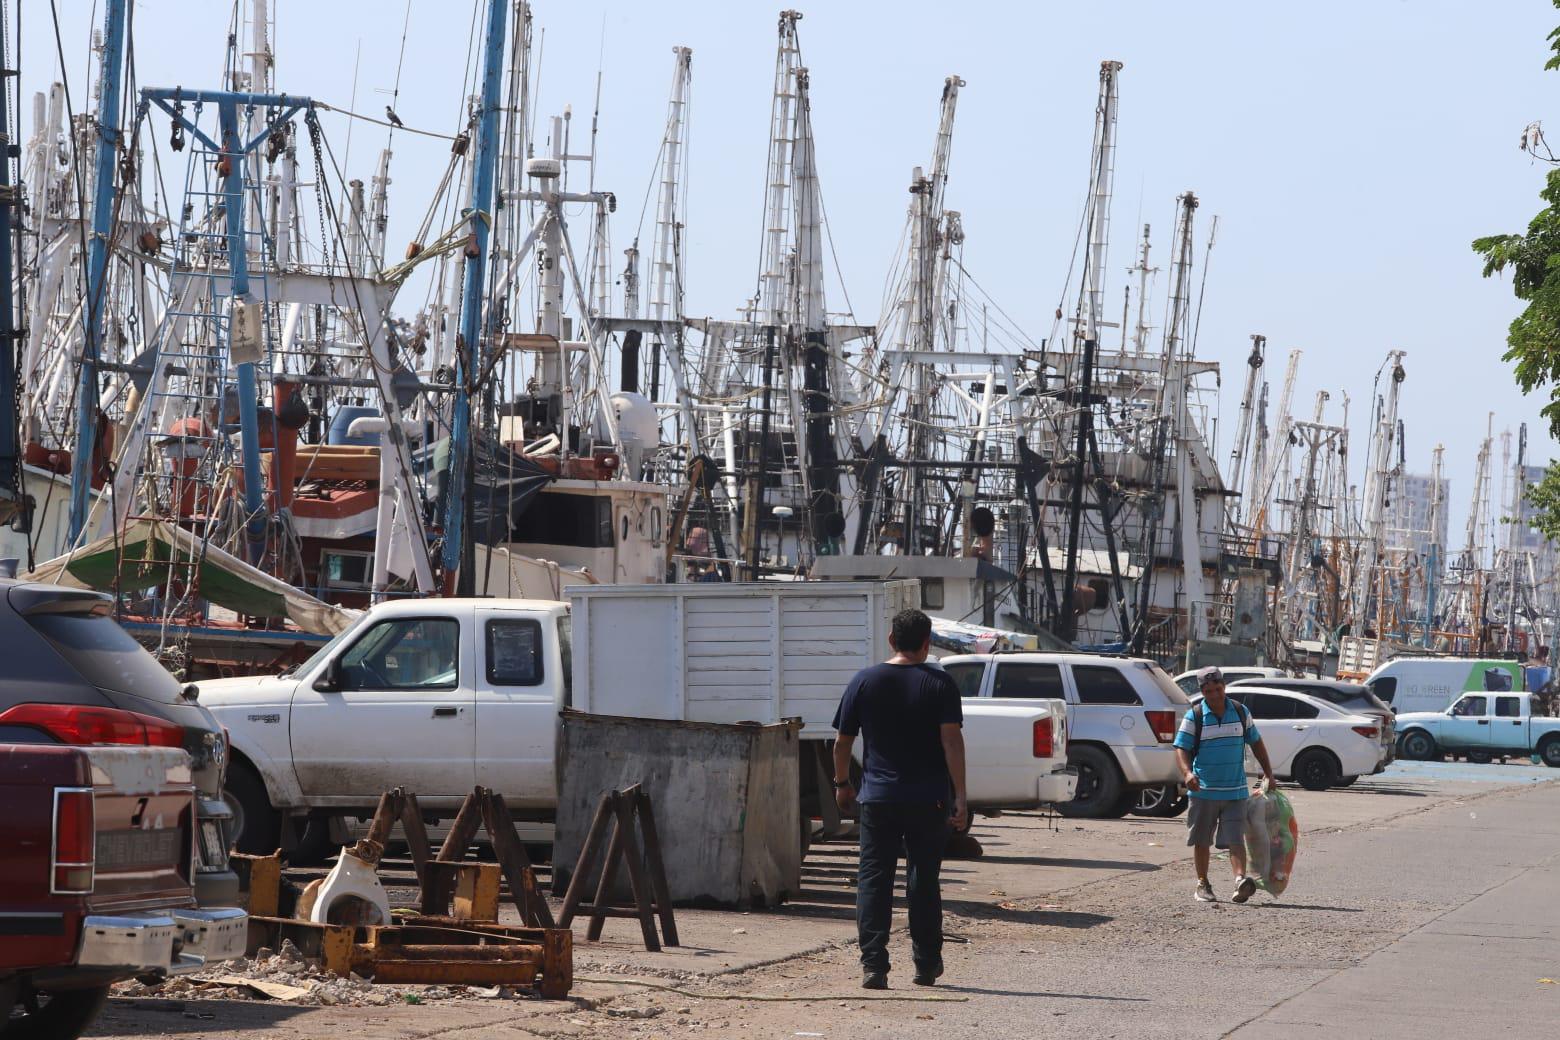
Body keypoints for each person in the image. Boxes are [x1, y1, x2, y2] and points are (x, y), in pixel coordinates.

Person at [831, 608, 967, 990]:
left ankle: (874, 965)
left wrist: (842, 784)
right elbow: (952, 742)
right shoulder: (940, 684)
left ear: (891, 640)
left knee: (874, 879)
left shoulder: (864, 680)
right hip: (928, 800)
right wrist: (961, 797)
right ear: (927, 644)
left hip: (878, 799)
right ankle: (926, 964)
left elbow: (842, 743)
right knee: (923, 879)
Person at [1173, 667, 1276, 904]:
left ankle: (1240, 880)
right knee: (1201, 840)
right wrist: (1187, 773)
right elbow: (1181, 748)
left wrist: (1268, 772)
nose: (1215, 695)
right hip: (1203, 792)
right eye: (1209, 691)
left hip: (1235, 791)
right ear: (1202, 691)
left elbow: (1257, 742)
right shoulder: (1195, 716)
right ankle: (1202, 884)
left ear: (1224, 687)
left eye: (1218, 689)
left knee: (1235, 838)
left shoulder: (1240, 712)